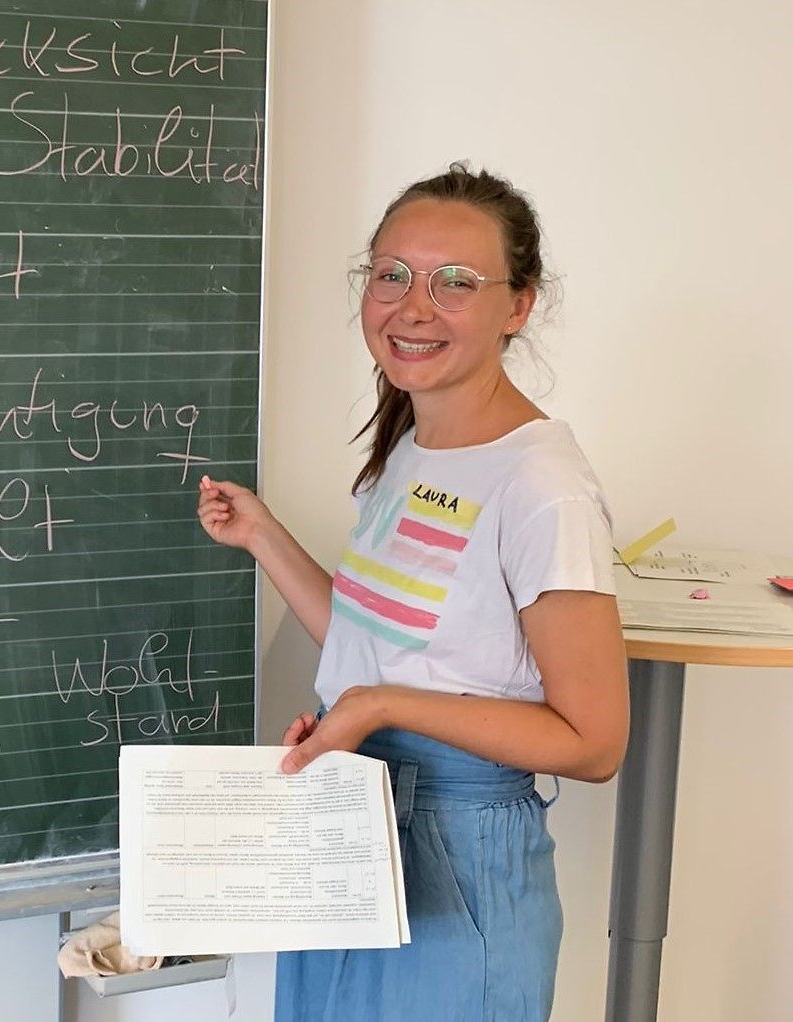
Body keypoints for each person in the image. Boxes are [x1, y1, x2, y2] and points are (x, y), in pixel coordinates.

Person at [197, 163, 628, 1021]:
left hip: (458, 856)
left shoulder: (542, 487)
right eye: (391, 274)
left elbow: (593, 741)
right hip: (360, 824)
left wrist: (377, 706)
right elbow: (379, 647)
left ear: (519, 306)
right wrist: (263, 536)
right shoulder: (411, 445)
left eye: (455, 283)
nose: (413, 306)